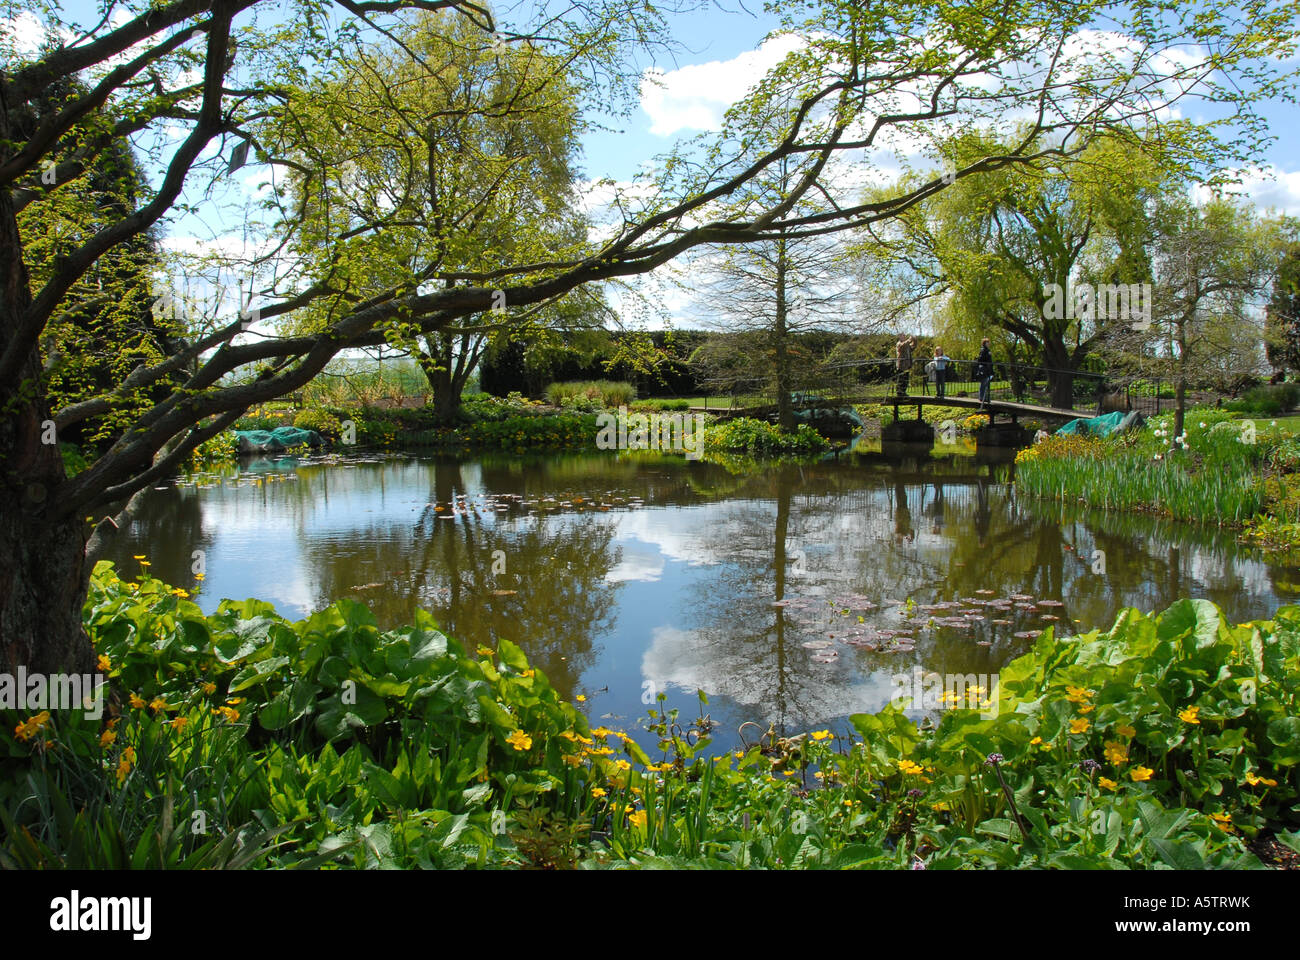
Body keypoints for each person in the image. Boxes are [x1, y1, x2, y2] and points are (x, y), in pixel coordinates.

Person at [974, 337, 994, 407]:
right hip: (984, 368)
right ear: (985, 343)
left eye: (989, 343)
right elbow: (980, 359)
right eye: (987, 343)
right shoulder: (983, 350)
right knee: (983, 383)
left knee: (986, 383)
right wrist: (988, 355)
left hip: (987, 368)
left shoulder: (987, 350)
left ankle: (985, 397)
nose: (989, 344)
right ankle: (981, 397)